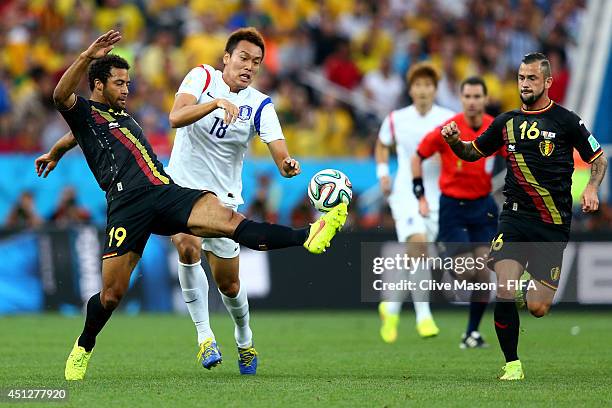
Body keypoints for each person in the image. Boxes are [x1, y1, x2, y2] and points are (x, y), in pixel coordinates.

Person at [36, 30, 348, 381]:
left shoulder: (122, 116)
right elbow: (61, 97)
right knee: (111, 295)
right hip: (127, 206)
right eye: (120, 83)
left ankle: (307, 235)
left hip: (167, 190)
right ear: (97, 84)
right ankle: (84, 345)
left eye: (128, 83)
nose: (127, 90)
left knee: (233, 228)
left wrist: (57, 151)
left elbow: (76, 136)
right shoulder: (87, 112)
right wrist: (87, 55)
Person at [440, 53, 607, 380]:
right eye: (521, 78)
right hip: (514, 218)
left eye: (531, 78)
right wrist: (455, 142)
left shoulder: (567, 121)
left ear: (547, 82)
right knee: (503, 289)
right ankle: (512, 364)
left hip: (553, 223)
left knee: (538, 308)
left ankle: (526, 288)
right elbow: (472, 152)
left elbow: (599, 159)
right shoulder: (505, 122)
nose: (525, 84)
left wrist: (591, 189)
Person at [165, 27, 301, 375]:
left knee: (230, 285)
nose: (249, 66)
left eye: (256, 62)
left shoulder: (260, 105)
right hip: (182, 188)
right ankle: (205, 337)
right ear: (226, 57)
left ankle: (244, 338)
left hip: (223, 201)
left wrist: (287, 165)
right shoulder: (201, 77)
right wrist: (215, 102)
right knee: (186, 247)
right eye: (243, 57)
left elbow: (280, 154)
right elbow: (175, 117)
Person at [412, 76, 504, 349]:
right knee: (466, 273)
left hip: (483, 206)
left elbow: (513, 158)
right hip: (452, 206)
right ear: (461, 99)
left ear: (485, 99)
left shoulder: (495, 128)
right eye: (468, 97)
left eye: (478, 96)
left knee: (484, 272)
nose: (473, 102)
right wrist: (420, 194)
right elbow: (417, 155)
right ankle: (443, 252)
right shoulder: (449, 129)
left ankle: (471, 333)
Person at [375, 62, 455, 342]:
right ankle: (423, 316)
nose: (423, 90)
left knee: (416, 256)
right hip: (406, 192)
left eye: (428, 85)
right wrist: (383, 174)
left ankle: (392, 306)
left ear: (435, 89)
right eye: (418, 85)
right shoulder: (397, 118)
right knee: (418, 245)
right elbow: (382, 144)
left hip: (438, 195)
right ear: (410, 90)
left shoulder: (448, 119)